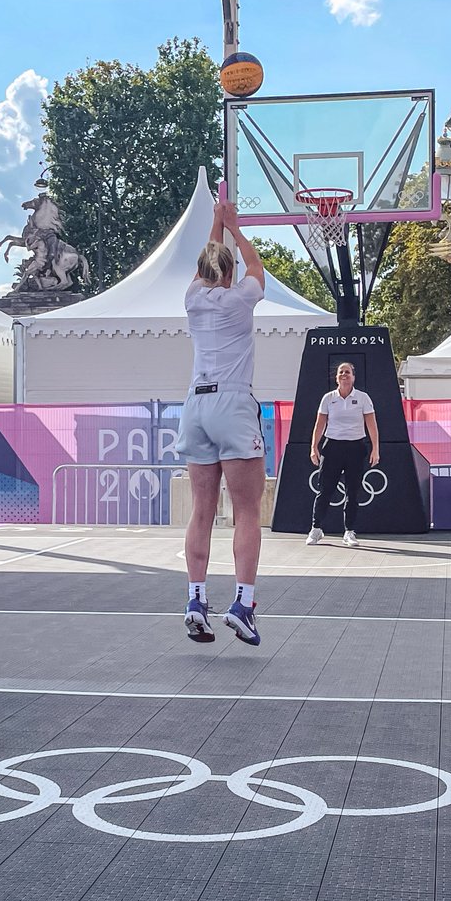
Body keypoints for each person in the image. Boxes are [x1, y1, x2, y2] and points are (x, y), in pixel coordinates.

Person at [176, 199, 266, 647]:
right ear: (229, 273)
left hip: (195, 407)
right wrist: (236, 227)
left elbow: (209, 260)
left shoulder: (193, 297)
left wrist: (216, 223)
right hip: (232, 404)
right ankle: (243, 604)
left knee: (202, 509)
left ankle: (195, 599)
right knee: (247, 510)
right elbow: (256, 267)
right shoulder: (241, 298)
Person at [307, 362, 380, 547]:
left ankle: (349, 531)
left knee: (353, 492)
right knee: (325, 489)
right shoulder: (328, 398)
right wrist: (314, 447)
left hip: (356, 447)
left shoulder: (363, 398)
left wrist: (375, 448)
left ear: (354, 377)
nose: (344, 375)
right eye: (341, 372)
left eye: (347, 372)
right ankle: (316, 529)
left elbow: (371, 424)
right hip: (332, 447)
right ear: (336, 377)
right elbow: (319, 424)